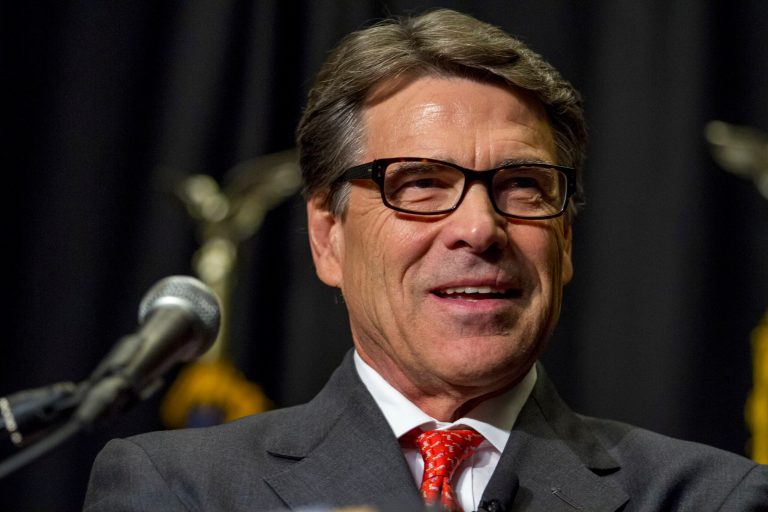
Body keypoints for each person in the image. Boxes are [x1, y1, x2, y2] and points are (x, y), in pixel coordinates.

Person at [83, 9, 768, 511]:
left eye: (524, 186)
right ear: (328, 235)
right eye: (420, 185)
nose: (479, 228)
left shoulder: (709, 497)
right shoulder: (175, 488)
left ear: (565, 242)